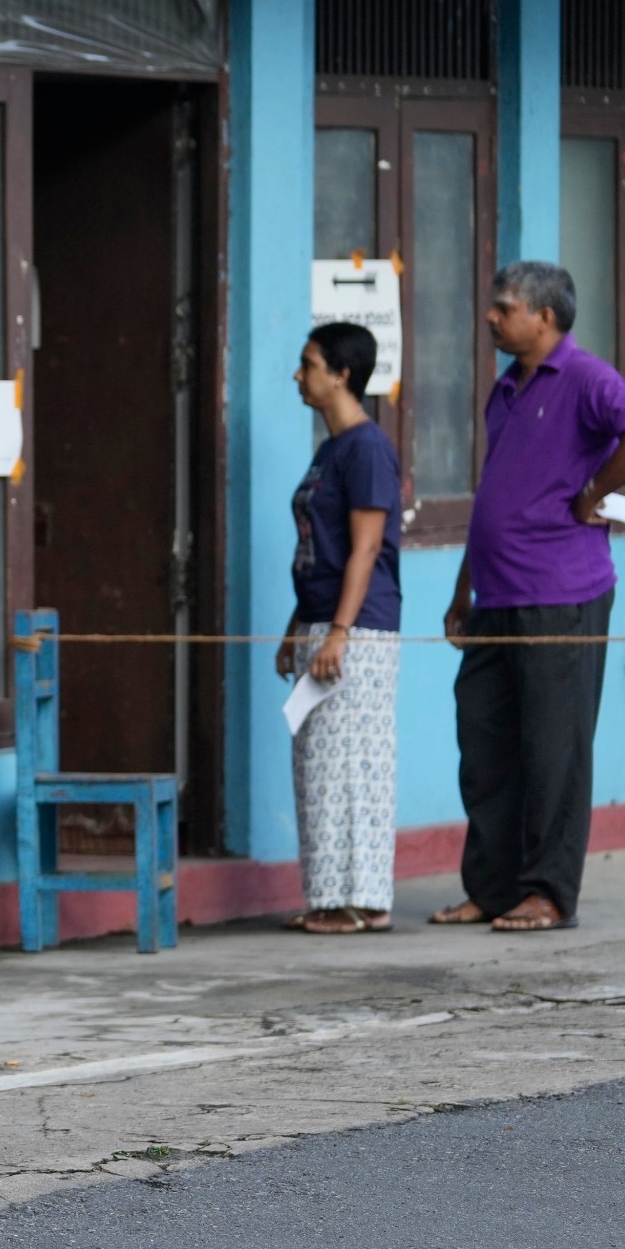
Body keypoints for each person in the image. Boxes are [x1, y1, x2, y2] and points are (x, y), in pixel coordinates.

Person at [434, 262, 625, 933]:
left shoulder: (584, 377)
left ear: (545, 317)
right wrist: (462, 587)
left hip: (563, 592)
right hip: (496, 595)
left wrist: (593, 494)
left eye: (504, 307)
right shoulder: (504, 389)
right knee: (485, 742)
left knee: (555, 748)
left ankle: (549, 892)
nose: (492, 317)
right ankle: (493, 888)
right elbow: (495, 490)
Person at [274, 323, 404, 935]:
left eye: (309, 364)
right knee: (320, 764)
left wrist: (340, 632)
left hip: (358, 629)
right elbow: (317, 549)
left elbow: (366, 546)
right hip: (324, 621)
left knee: (354, 765)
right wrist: (298, 625)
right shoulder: (329, 449)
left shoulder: (366, 447)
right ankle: (335, 898)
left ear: (342, 373)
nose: (300, 376)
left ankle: (357, 901)